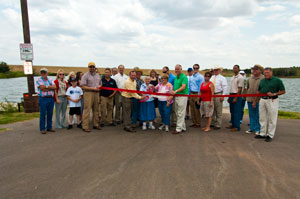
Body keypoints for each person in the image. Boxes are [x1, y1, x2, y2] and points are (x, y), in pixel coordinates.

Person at [254, 67, 285, 142]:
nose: (266, 74)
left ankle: (270, 135)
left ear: (271, 73)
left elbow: (283, 91)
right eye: (265, 73)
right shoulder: (262, 81)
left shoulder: (277, 81)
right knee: (262, 117)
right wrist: (255, 101)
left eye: (267, 73)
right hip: (262, 100)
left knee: (272, 118)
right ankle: (262, 133)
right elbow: (259, 91)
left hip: (272, 100)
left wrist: (274, 94)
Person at [80, 62, 102, 132]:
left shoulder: (98, 75)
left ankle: (96, 124)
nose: (92, 68)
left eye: (93, 67)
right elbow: (82, 86)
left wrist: (100, 86)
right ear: (88, 67)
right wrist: (92, 88)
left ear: (95, 67)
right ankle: (85, 126)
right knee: (87, 110)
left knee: (96, 110)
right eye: (90, 67)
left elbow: (100, 83)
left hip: (96, 93)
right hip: (88, 93)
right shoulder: (85, 75)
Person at [36, 68, 56, 134]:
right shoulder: (39, 80)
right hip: (43, 98)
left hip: (50, 98)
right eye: (42, 73)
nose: (43, 74)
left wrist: (46, 87)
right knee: (43, 114)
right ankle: (42, 128)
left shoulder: (50, 79)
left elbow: (55, 87)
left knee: (50, 113)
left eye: (44, 72)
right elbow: (41, 88)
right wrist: (50, 87)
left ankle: (49, 127)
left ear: (47, 73)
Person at [245, 65, 264, 134]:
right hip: (250, 99)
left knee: (258, 115)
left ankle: (258, 129)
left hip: (259, 100)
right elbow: (247, 87)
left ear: (260, 70)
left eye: (256, 69)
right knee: (251, 114)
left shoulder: (263, 78)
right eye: (253, 69)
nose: (254, 71)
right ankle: (252, 128)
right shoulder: (250, 78)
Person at [171, 64, 189, 134]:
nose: (176, 70)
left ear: (181, 69)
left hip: (182, 96)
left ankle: (178, 129)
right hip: (177, 97)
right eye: (176, 69)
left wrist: (175, 91)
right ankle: (183, 127)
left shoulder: (184, 77)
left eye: (178, 69)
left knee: (181, 113)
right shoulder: (176, 77)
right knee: (177, 112)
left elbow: (183, 87)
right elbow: (175, 86)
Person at [227, 65, 244, 132]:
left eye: (235, 68)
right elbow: (231, 88)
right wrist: (229, 97)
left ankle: (237, 126)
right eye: (233, 68)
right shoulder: (233, 77)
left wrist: (236, 98)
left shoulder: (240, 77)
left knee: (236, 111)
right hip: (231, 95)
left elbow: (240, 88)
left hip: (236, 95)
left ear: (239, 69)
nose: (234, 69)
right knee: (232, 111)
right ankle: (233, 124)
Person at [210, 66, 228, 130]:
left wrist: (223, 95)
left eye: (217, 70)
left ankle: (218, 124)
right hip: (212, 94)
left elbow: (225, 87)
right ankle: (213, 122)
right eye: (214, 70)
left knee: (218, 110)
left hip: (218, 93)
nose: (215, 71)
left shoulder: (222, 78)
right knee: (212, 110)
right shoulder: (212, 77)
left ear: (219, 70)